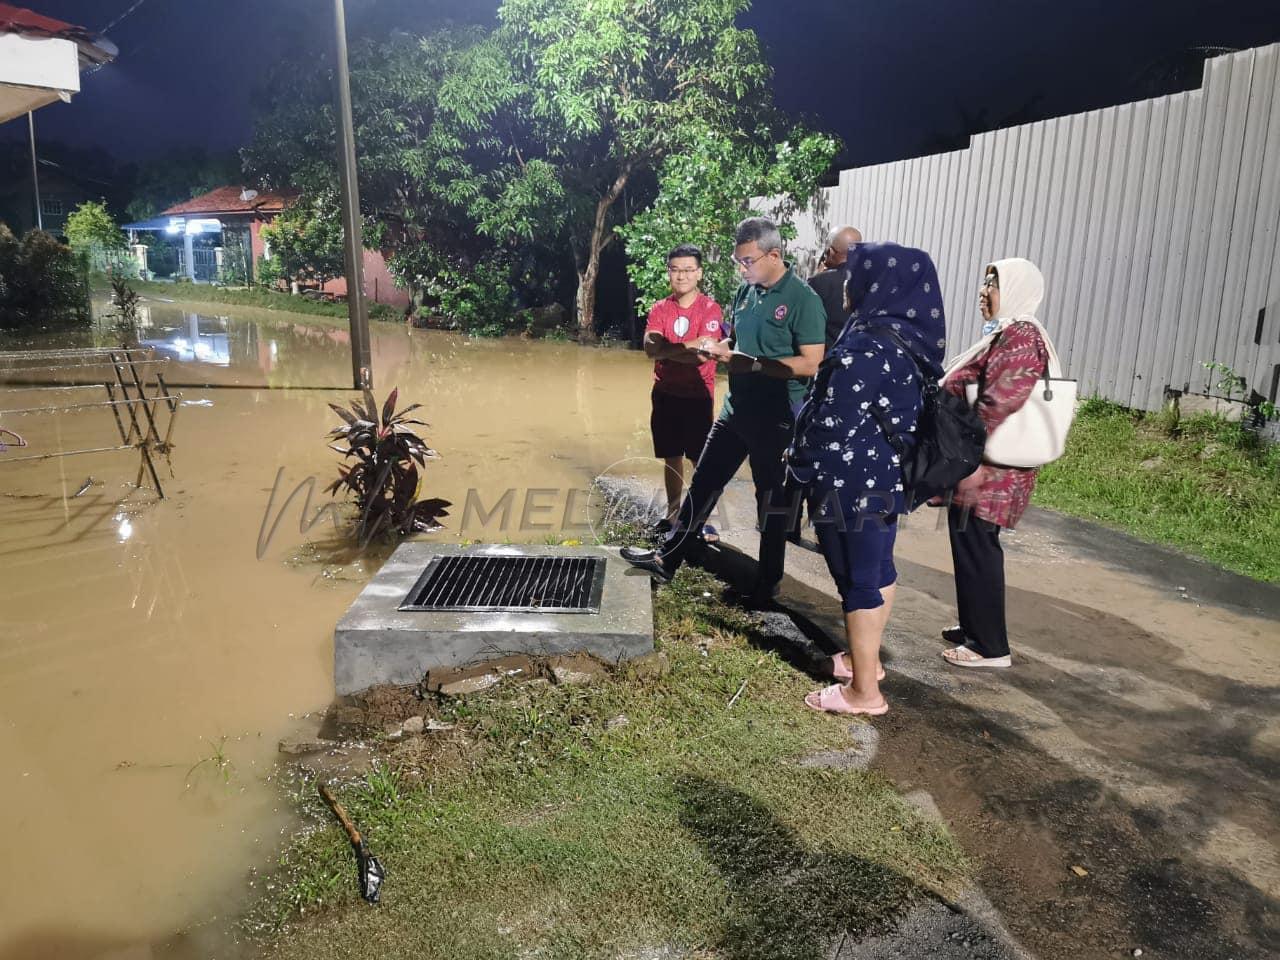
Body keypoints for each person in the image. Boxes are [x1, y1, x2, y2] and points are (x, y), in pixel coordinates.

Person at [621, 217, 826, 607]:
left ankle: (767, 584)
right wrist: (719, 347)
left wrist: (753, 363)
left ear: (774, 255)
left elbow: (812, 362)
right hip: (736, 410)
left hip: (777, 415)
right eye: (739, 261)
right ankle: (668, 557)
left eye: (747, 261)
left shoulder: (803, 300)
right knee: (704, 485)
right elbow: (737, 339)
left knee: (772, 502)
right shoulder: (746, 293)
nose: (742, 268)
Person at [788, 242, 945, 716]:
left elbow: (833, 422)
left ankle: (864, 694)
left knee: (857, 582)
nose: (847, 287)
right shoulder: (910, 339)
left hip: (848, 484)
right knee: (879, 570)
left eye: (855, 277)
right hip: (886, 479)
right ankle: (865, 663)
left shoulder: (865, 346)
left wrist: (797, 456)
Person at [938, 258, 1050, 669]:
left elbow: (1000, 399)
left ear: (1018, 290)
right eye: (984, 284)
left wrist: (967, 452)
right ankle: (975, 626)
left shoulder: (1022, 335)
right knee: (967, 540)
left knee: (978, 545)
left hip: (993, 465)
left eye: (994, 286)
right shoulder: (1005, 332)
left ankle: (990, 646)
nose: (984, 293)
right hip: (981, 459)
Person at [642, 244, 726, 539]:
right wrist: (690, 345)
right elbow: (649, 348)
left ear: (699, 273)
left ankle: (703, 518)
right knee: (671, 456)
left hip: (698, 396)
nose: (682, 276)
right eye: (676, 269)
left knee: (700, 461)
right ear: (668, 272)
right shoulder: (660, 308)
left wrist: (667, 350)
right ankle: (673, 514)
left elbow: (704, 356)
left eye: (689, 269)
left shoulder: (710, 309)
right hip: (665, 393)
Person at [808, 225, 864, 349]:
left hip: (829, 359)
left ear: (830, 251)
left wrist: (817, 277)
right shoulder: (872, 280)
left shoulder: (819, 282)